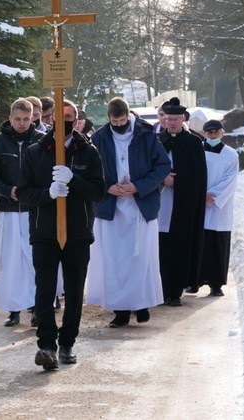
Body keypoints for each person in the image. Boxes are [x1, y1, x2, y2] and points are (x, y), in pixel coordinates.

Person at [16, 99, 106, 370]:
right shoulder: (35, 152)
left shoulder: (88, 153)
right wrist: (48, 193)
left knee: (75, 289)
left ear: (76, 121)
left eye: (70, 116)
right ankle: (46, 345)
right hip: (44, 232)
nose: (64, 120)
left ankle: (67, 343)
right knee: (44, 290)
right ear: (51, 119)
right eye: (60, 116)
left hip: (77, 232)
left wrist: (74, 180)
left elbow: (99, 192)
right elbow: (22, 193)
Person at [86, 97, 171, 327]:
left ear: (129, 116)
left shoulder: (145, 134)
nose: (119, 125)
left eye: (122, 120)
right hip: (111, 206)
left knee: (140, 257)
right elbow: (89, 170)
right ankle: (120, 310)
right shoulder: (100, 137)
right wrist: (108, 187)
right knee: (115, 261)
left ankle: (141, 303)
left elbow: (162, 166)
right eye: (115, 121)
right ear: (109, 118)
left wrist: (138, 186)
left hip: (140, 205)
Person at [0, 98, 43, 327]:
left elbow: (47, 171)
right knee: (9, 261)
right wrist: (8, 191)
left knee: (34, 258)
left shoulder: (40, 140)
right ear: (10, 118)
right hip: (8, 209)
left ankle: (37, 306)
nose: (22, 123)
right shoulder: (0, 142)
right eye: (18, 119)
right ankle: (13, 308)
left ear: (32, 118)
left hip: (33, 210)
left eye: (26, 119)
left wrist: (33, 193)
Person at [157, 98, 208, 306]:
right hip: (161, 202)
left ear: (183, 119)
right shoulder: (157, 140)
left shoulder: (193, 142)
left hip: (183, 203)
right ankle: (161, 289)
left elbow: (199, 176)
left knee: (180, 246)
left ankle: (176, 290)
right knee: (161, 246)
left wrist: (178, 181)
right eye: (168, 119)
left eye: (176, 119)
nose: (172, 123)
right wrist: (163, 178)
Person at [198, 119, 238, 297]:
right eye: (209, 132)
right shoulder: (197, 150)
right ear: (204, 134)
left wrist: (213, 195)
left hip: (219, 207)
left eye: (216, 132)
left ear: (222, 133)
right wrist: (198, 194)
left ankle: (216, 284)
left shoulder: (231, 155)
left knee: (217, 245)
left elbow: (230, 180)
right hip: (198, 203)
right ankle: (194, 281)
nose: (212, 135)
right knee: (199, 244)